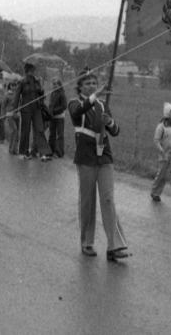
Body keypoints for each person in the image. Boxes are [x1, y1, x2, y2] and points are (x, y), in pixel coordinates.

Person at [69, 72, 129, 261]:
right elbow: (77, 112)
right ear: (80, 86)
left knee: (108, 199)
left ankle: (115, 246)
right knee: (88, 200)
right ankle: (87, 242)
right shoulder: (74, 103)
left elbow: (116, 131)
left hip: (104, 158)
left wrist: (110, 122)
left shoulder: (103, 105)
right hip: (86, 158)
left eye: (95, 83)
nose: (92, 85)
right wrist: (96, 96)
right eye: (88, 83)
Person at [13, 62, 53, 161]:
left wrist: (42, 91)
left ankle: (44, 153)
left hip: (37, 109)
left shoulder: (37, 80)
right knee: (25, 131)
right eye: (32, 68)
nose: (34, 69)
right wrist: (15, 110)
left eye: (34, 68)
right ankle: (25, 152)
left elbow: (41, 95)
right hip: (26, 109)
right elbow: (17, 96)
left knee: (39, 130)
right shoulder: (22, 81)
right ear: (28, 69)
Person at [46, 77, 68, 159]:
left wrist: (54, 111)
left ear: (59, 85)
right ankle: (50, 150)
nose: (54, 85)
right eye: (53, 84)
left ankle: (59, 152)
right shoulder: (53, 93)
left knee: (60, 135)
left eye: (55, 84)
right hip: (52, 117)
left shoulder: (62, 93)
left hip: (59, 117)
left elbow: (64, 106)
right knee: (52, 134)